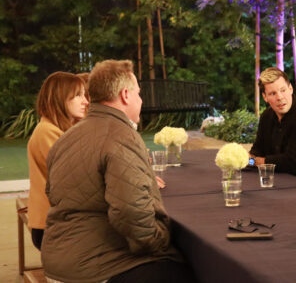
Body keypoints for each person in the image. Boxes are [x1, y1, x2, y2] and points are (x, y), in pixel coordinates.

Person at [42, 60, 195, 283]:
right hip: (98, 267)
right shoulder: (121, 136)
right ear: (125, 95)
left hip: (58, 260)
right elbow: (132, 214)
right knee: (189, 269)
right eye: (138, 94)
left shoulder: (67, 137)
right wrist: (162, 241)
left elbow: (52, 195)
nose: (141, 100)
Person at [27, 71, 88, 250]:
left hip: (62, 222)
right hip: (53, 228)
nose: (86, 101)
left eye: (84, 95)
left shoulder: (62, 130)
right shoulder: (47, 132)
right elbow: (80, 175)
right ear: (60, 98)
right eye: (78, 96)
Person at [250, 67, 296, 181]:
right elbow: (257, 150)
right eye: (273, 93)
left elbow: (292, 163)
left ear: (291, 89)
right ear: (265, 97)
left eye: (283, 90)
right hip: (275, 182)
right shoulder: (266, 116)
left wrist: (256, 161)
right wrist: (248, 160)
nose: (280, 97)